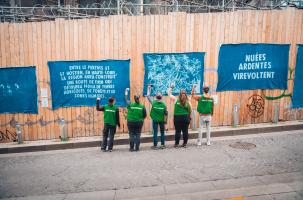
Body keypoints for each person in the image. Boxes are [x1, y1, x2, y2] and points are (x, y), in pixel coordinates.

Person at [146, 85, 168, 149]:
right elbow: (166, 113)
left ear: (156, 97)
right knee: (162, 132)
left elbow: (147, 96)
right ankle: (162, 145)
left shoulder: (153, 103)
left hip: (155, 120)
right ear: (162, 97)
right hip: (161, 120)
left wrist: (148, 88)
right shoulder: (164, 105)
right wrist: (165, 123)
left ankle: (155, 145)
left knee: (155, 132)